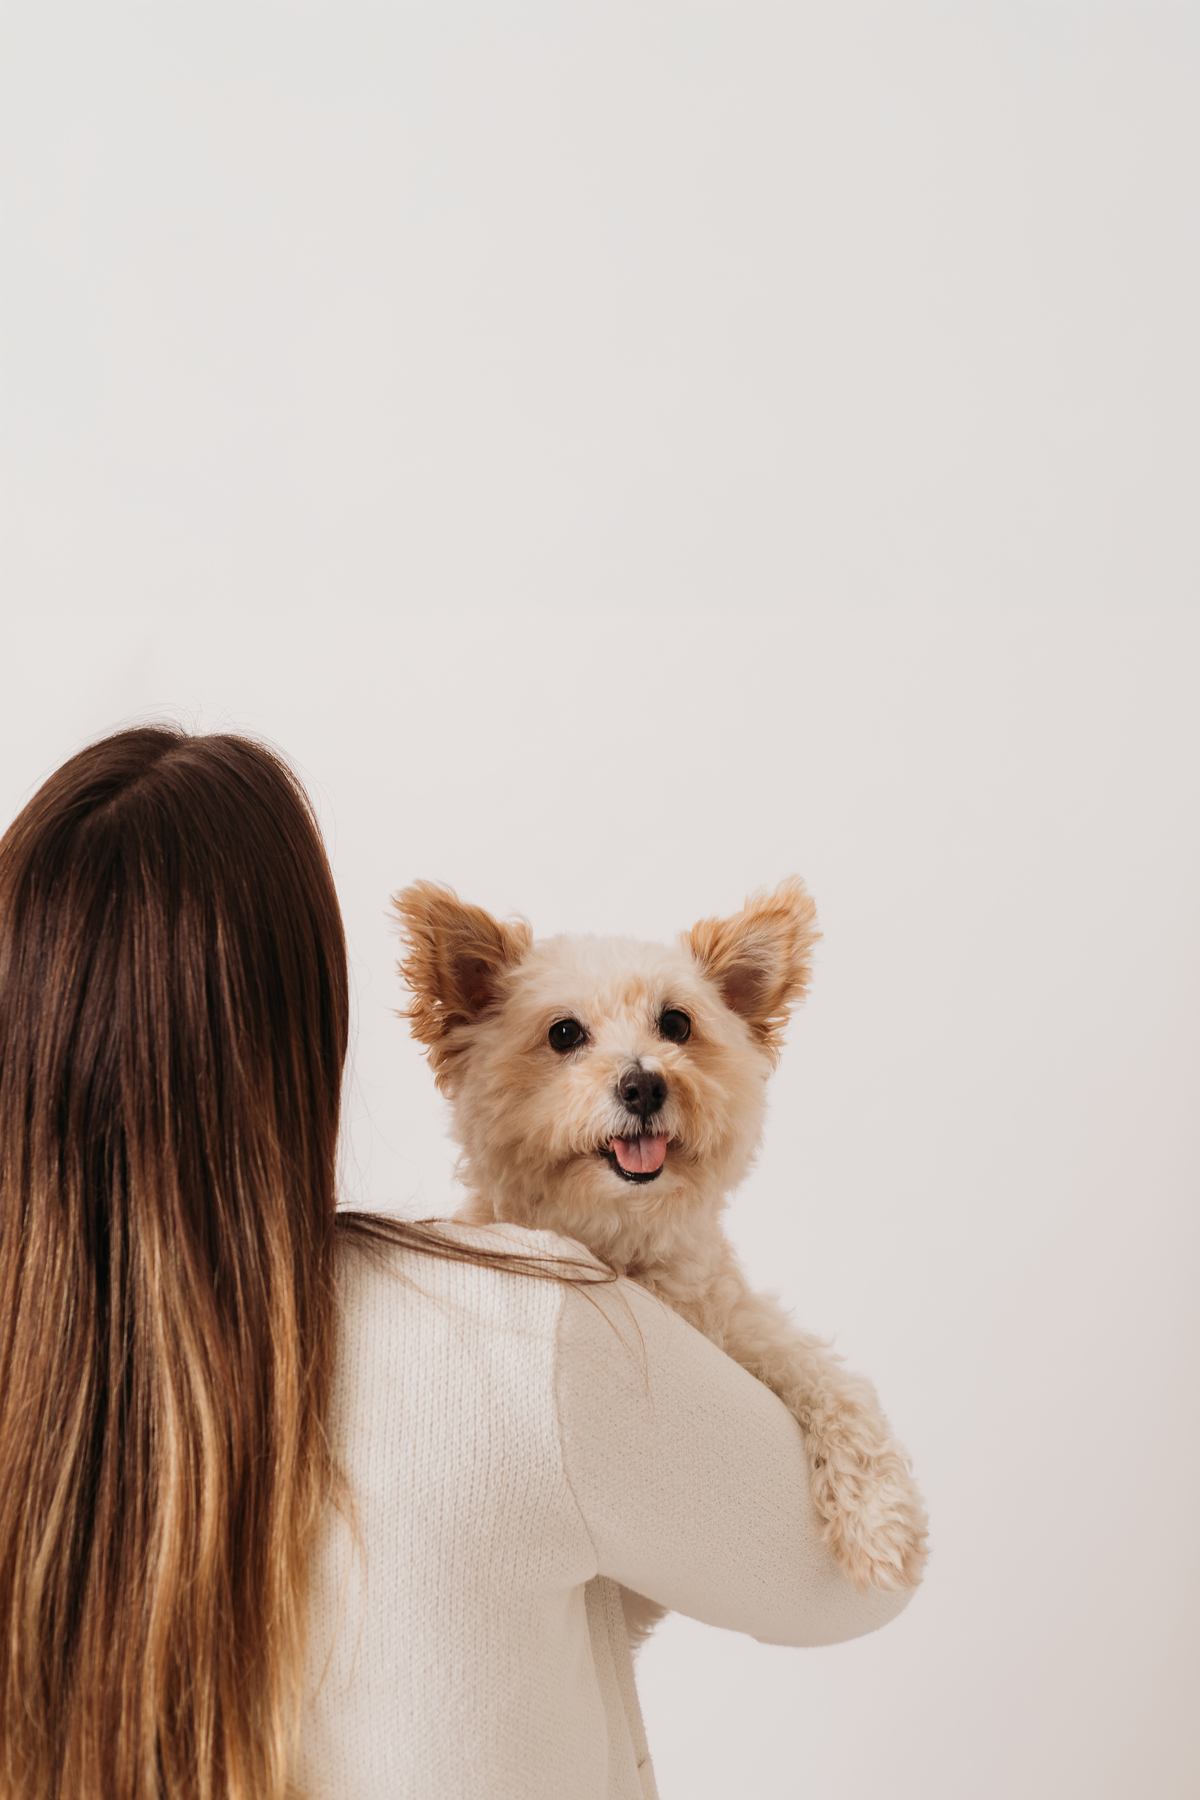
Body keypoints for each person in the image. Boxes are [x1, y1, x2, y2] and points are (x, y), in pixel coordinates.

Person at [0, 726, 914, 1800]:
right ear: (313, 1023)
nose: (633, 1069)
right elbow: (848, 1583)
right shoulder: (531, 1337)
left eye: (670, 1026)